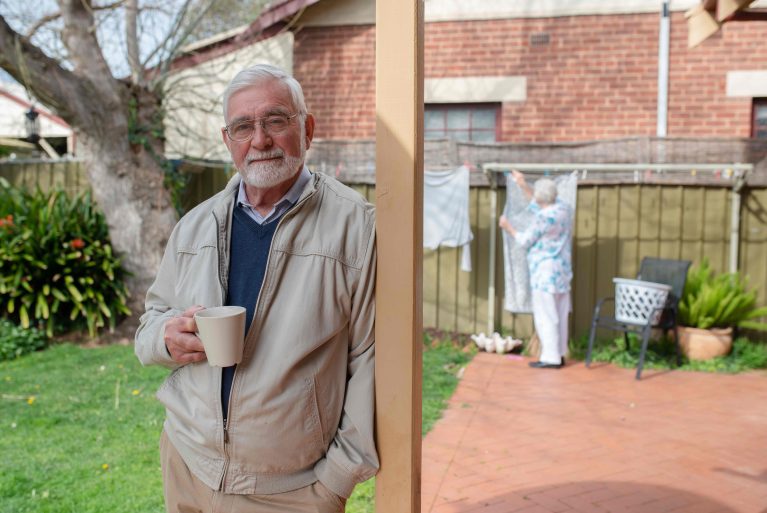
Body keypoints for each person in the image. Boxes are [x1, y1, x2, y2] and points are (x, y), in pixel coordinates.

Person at [134, 64, 378, 513]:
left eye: (276, 120)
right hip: (189, 465)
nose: (260, 140)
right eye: (243, 126)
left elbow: (372, 360)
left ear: (306, 128)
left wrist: (334, 483)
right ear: (228, 141)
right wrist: (166, 337)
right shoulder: (195, 225)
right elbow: (150, 324)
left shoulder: (357, 227)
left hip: (290, 491)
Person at [498, 170, 572, 369]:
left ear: (542, 198)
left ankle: (550, 358)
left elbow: (524, 240)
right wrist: (523, 184)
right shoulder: (563, 209)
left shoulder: (543, 219)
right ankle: (560, 353)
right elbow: (538, 204)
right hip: (562, 274)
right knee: (560, 315)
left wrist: (508, 226)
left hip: (545, 274)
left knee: (546, 316)